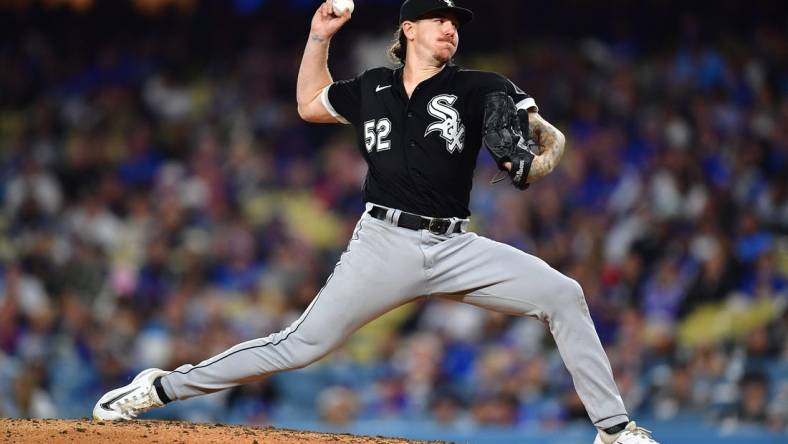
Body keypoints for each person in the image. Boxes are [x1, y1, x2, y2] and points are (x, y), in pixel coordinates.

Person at [93, 1, 659, 443]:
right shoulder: (373, 87)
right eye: (438, 19)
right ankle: (160, 387)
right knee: (300, 347)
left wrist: (537, 142)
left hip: (457, 246)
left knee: (564, 294)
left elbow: (522, 131)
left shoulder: (477, 84)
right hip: (384, 243)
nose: (450, 28)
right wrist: (319, 37)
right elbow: (310, 103)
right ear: (408, 29)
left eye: (455, 22)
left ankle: (613, 430)